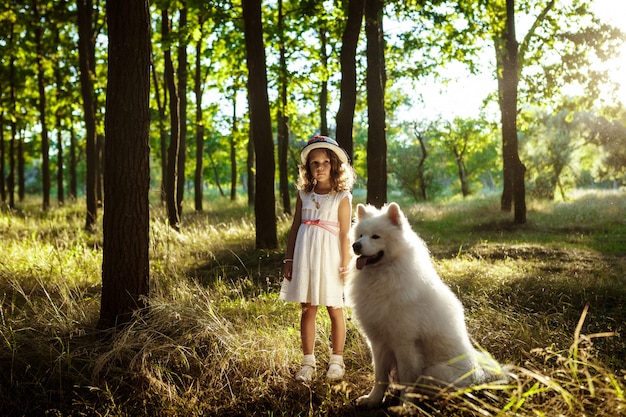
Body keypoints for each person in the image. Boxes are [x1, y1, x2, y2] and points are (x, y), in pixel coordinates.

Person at [280, 135, 355, 382]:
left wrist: (346, 263)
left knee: (335, 308)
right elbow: (294, 228)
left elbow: (345, 233)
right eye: (314, 163)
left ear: (334, 164)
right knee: (308, 308)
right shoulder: (304, 194)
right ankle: (308, 362)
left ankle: (336, 360)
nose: (320, 167)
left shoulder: (341, 196)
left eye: (325, 162)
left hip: (331, 257)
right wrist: (289, 260)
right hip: (305, 256)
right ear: (308, 167)